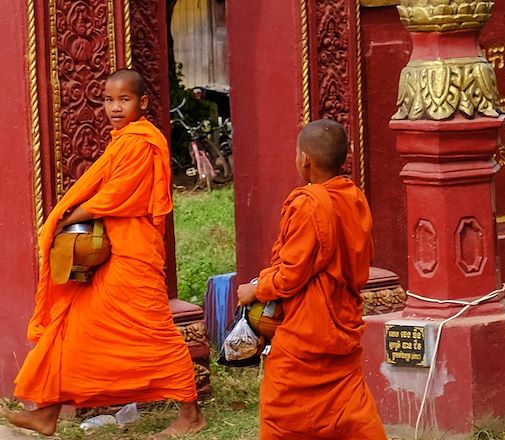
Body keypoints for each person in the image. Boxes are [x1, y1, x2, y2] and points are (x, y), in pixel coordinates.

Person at [1, 69, 205, 438]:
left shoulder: (142, 142)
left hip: (136, 252)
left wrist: (68, 216)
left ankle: (190, 415)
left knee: (155, 331)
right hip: (114, 251)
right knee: (74, 327)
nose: (114, 107)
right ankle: (47, 413)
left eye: (123, 100)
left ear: (142, 103)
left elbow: (116, 196)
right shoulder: (123, 141)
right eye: (108, 100)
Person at [236, 119, 386, 440]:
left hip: (309, 330)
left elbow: (290, 275)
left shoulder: (309, 205)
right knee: (350, 409)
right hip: (341, 320)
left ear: (305, 160)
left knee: (282, 412)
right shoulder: (354, 197)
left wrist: (255, 289)